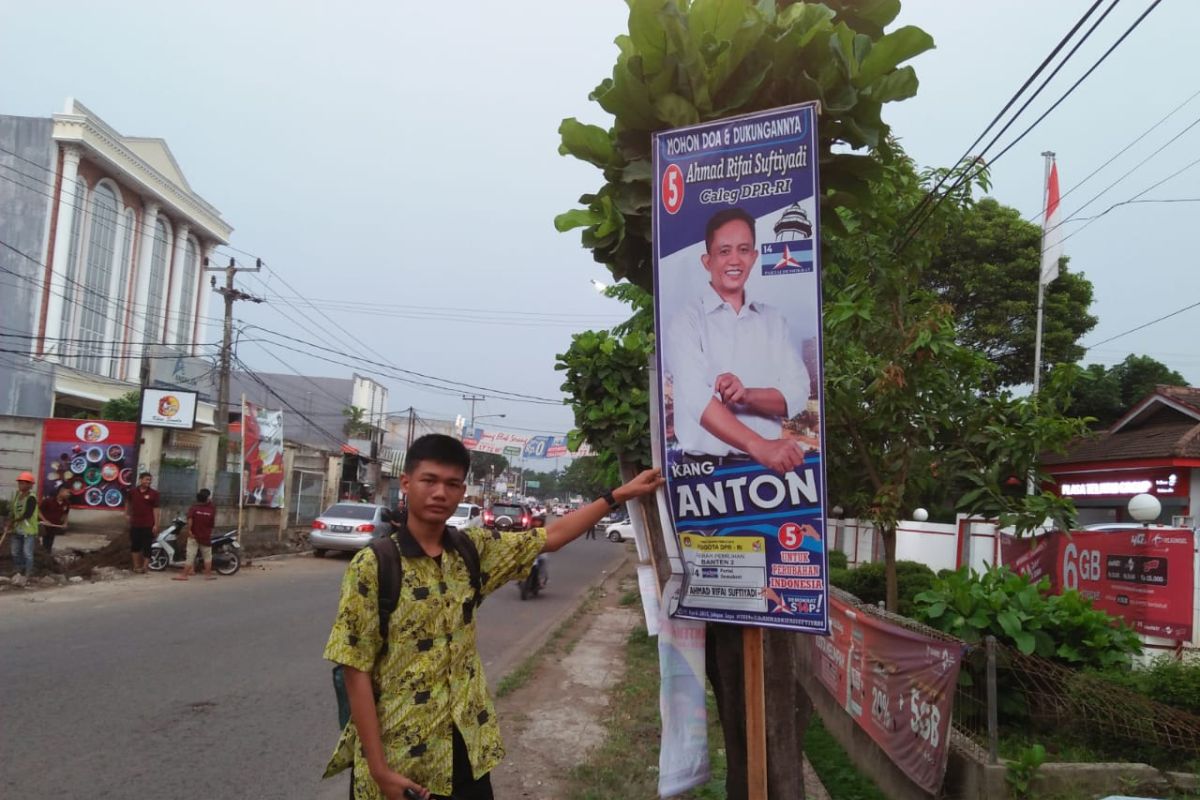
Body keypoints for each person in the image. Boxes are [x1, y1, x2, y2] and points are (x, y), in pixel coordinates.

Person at [323, 433, 663, 799]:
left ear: (462, 490)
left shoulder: (473, 550)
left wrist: (618, 495)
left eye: (452, 484)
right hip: (399, 759)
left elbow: (552, 537)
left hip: (467, 747)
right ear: (406, 484)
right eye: (429, 480)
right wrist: (379, 771)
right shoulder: (373, 565)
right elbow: (355, 670)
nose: (440, 493)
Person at [665, 207, 811, 474]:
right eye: (724, 251)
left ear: (754, 257)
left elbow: (798, 394)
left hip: (769, 469)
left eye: (743, 250)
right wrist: (759, 445)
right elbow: (696, 397)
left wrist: (747, 395)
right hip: (702, 473)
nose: (735, 260)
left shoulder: (772, 319)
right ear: (707, 261)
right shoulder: (686, 320)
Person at [173, 489, 216, 581]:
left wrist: (189, 531)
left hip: (194, 535)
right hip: (205, 535)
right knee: (207, 555)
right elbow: (212, 523)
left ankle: (184, 575)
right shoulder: (212, 508)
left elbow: (190, 520)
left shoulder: (194, 508)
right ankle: (208, 575)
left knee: (190, 555)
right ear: (207, 498)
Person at [5, 471, 39, 583]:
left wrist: (14, 521)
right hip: (17, 529)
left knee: (27, 553)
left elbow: (28, 514)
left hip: (28, 530)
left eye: (24, 483)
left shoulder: (32, 498)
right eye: (20, 483)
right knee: (15, 551)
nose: (21, 485)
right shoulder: (17, 496)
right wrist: (9, 521)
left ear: (30, 485)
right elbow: (13, 511)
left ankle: (28, 572)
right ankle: (19, 570)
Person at [125, 471, 160, 574]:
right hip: (135, 523)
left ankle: (145, 567)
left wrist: (156, 524)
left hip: (148, 524)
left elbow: (156, 509)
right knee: (135, 545)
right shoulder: (132, 492)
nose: (148, 482)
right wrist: (126, 514)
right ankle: (136, 566)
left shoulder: (154, 494)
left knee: (147, 546)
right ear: (140, 480)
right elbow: (127, 501)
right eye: (146, 479)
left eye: (150, 480)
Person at [39, 483, 72, 553]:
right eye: (67, 492)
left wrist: (65, 523)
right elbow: (38, 511)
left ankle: (47, 556)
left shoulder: (67, 503)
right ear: (61, 491)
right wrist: (45, 521)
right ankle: (43, 555)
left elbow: (65, 514)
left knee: (50, 542)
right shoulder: (48, 501)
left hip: (54, 526)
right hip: (44, 526)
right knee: (45, 542)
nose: (69, 494)